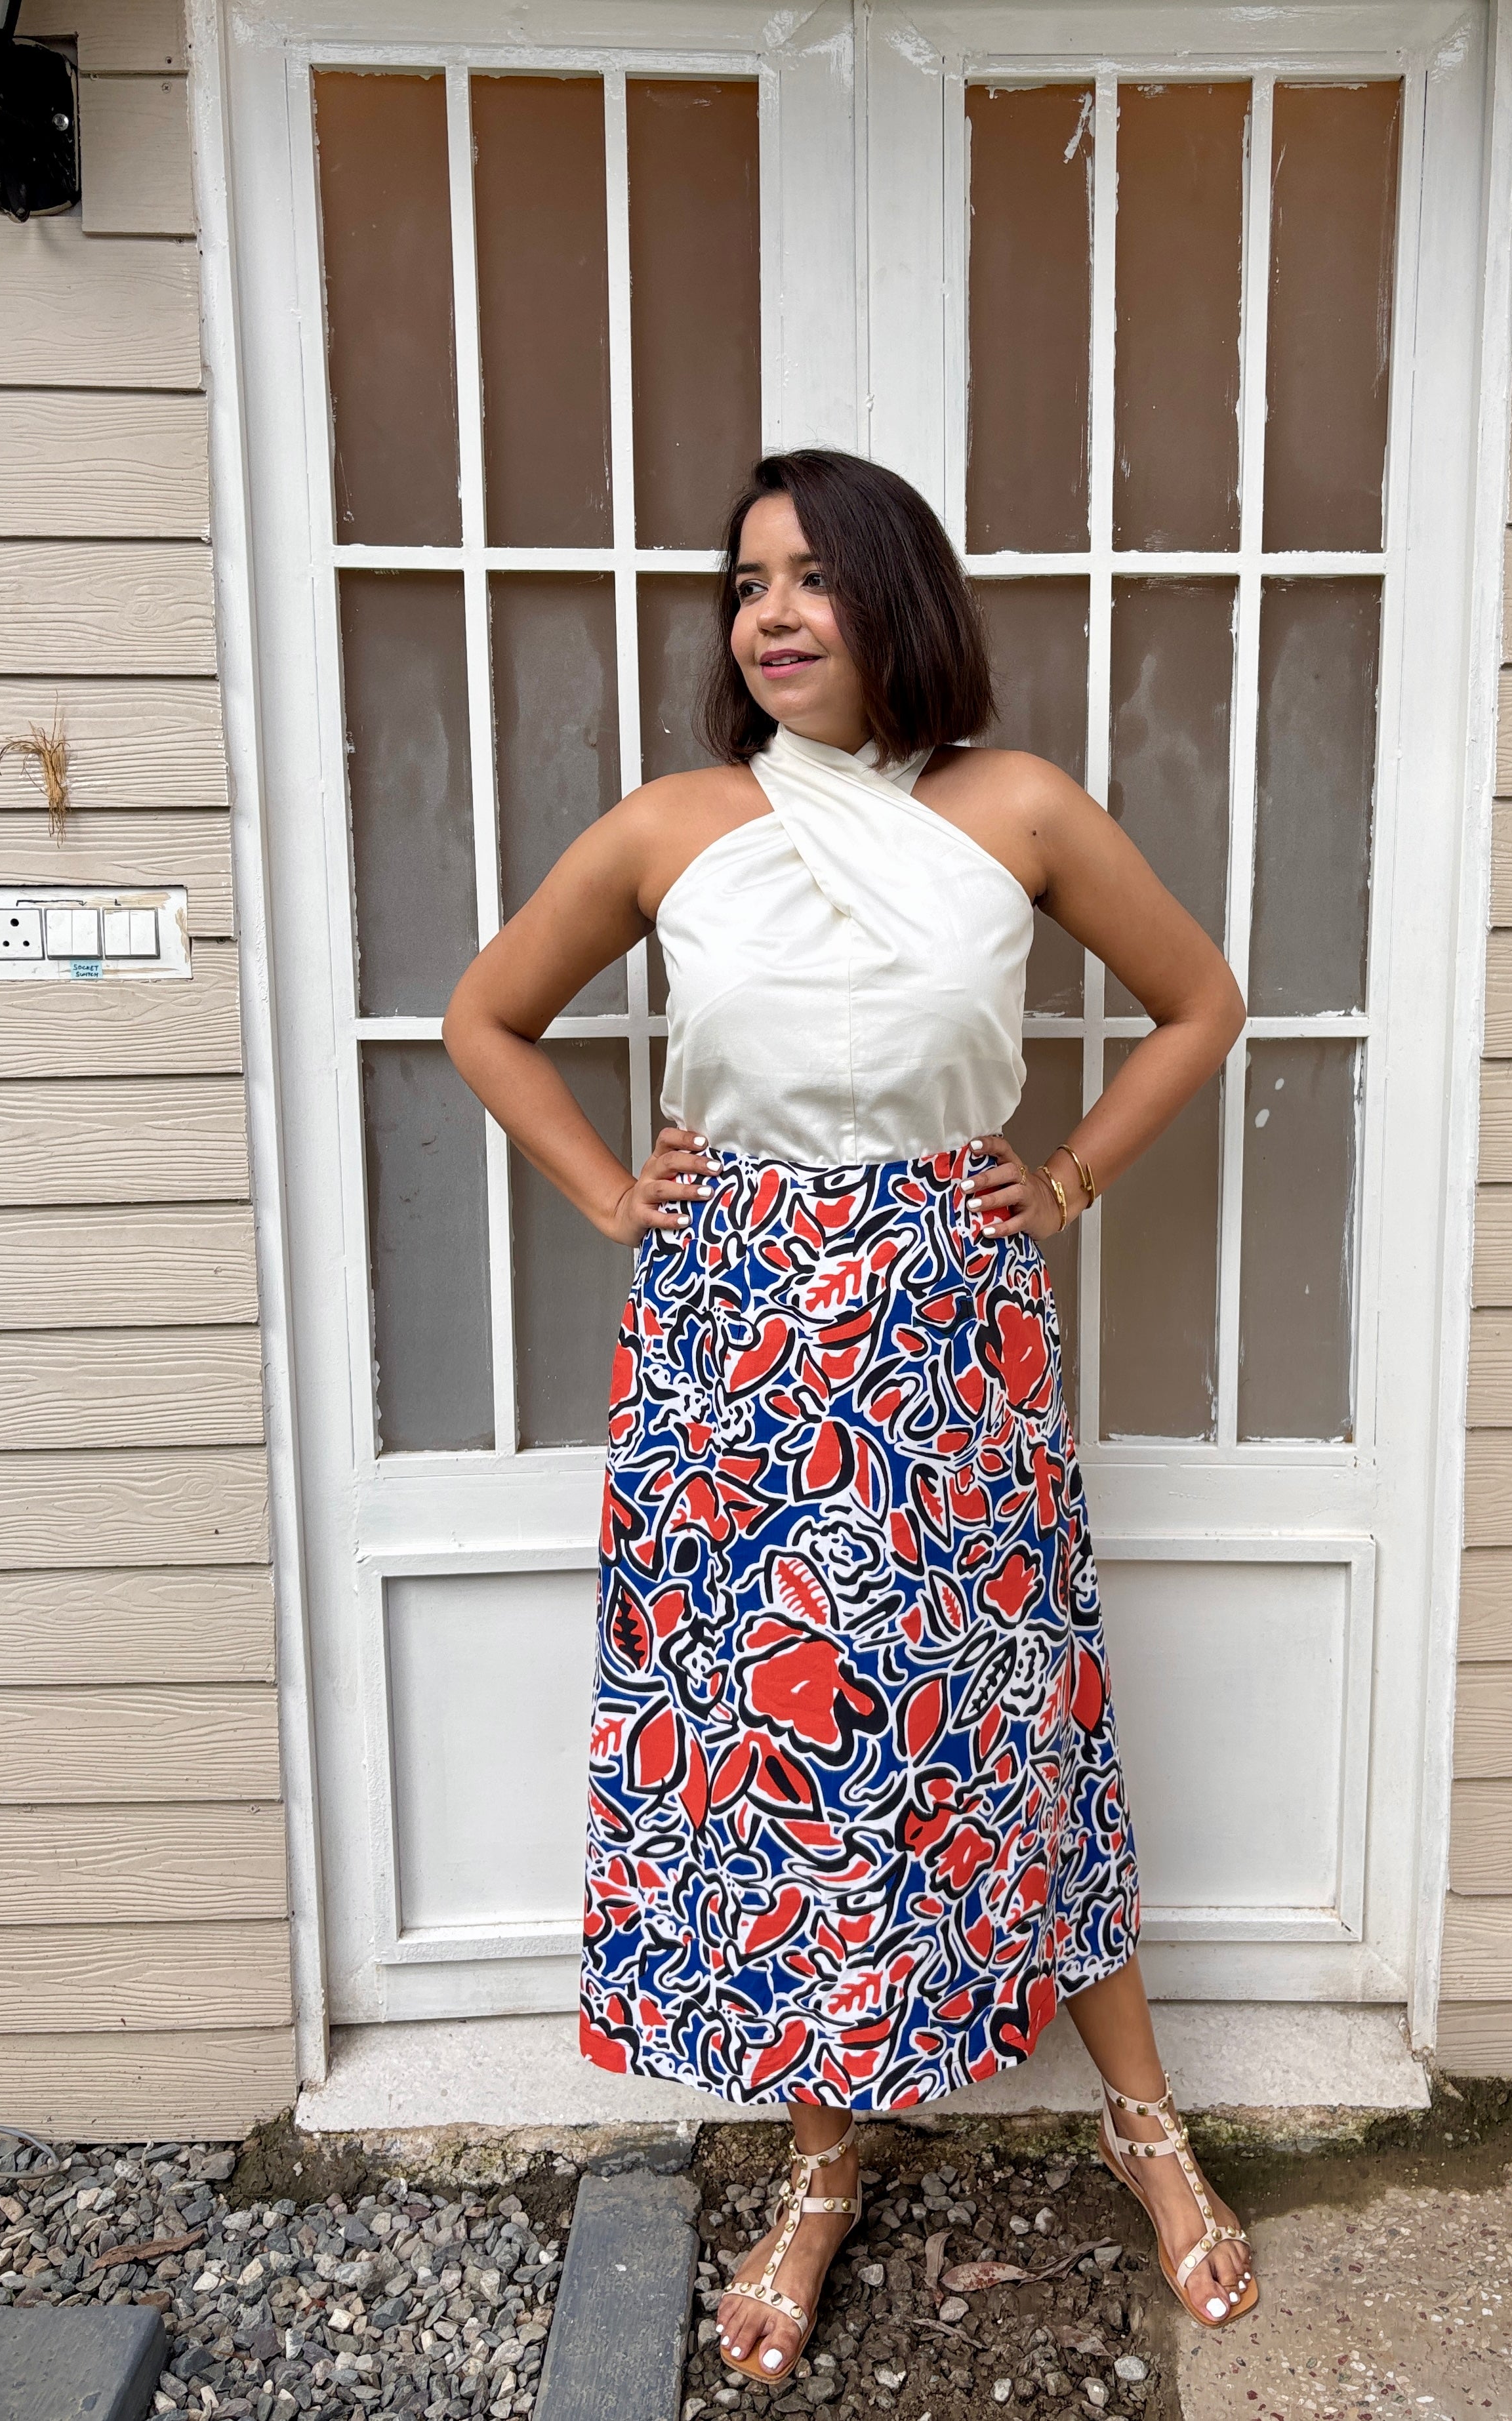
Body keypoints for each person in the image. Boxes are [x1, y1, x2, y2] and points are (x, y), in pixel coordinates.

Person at [443, 448, 1254, 2378]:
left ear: (898, 593)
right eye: (747, 587)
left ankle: (1151, 2126)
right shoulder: (673, 824)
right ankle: (824, 2162)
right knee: (792, 1753)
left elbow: (1202, 998)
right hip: (732, 1346)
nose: (774, 614)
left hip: (949, 1332)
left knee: (1010, 1719)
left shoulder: (1022, 807)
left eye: (812, 576)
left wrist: (1057, 1184)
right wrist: (614, 1192)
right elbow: (489, 1014)